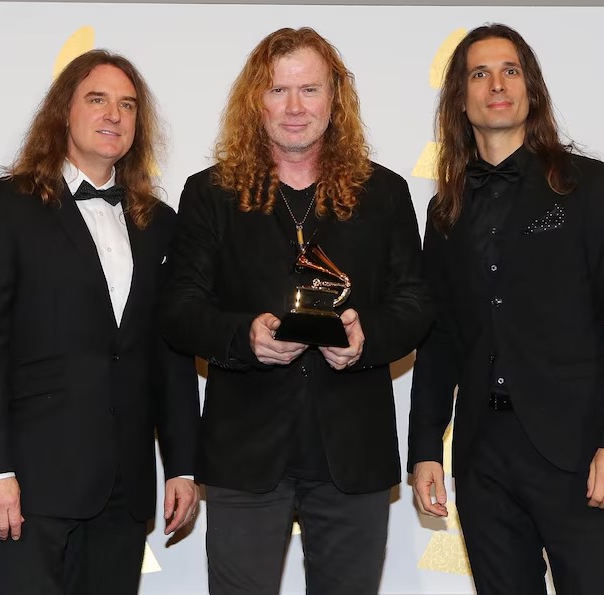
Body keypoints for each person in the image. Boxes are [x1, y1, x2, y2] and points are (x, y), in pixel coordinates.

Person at [163, 27, 431, 594]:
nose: (293, 107)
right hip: (244, 454)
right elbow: (180, 310)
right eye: (278, 90)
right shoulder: (210, 194)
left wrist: (365, 338)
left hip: (353, 454)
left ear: (335, 99)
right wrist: (244, 336)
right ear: (254, 101)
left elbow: (415, 304)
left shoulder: (383, 193)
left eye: (309, 90)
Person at [407, 23, 604, 595]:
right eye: (479, 73)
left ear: (531, 89)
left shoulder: (591, 186)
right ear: (460, 98)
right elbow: (439, 339)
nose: (496, 84)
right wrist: (424, 449)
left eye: (510, 71)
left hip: (580, 451)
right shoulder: (445, 210)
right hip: (482, 456)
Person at [0, 49, 200, 595]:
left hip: (125, 487)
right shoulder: (5, 204)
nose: (114, 115)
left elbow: (170, 352)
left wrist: (182, 465)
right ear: (64, 110)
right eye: (97, 99)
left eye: (127, 105)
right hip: (30, 484)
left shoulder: (159, 223)